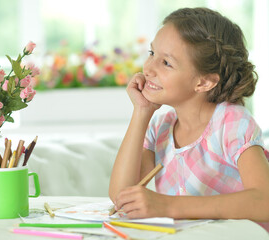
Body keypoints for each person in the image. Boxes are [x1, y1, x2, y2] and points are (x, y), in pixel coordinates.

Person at [108, 7, 269, 231]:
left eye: (166, 63)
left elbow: (264, 202)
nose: (148, 68)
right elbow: (121, 197)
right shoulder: (160, 126)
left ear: (204, 82)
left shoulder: (231, 123)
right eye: (152, 53)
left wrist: (169, 206)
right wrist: (141, 111)